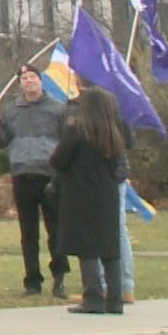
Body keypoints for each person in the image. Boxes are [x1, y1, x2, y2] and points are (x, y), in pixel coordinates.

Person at [0, 63, 69, 298]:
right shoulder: (12, 110)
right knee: (28, 232)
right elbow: (3, 142)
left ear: (40, 81)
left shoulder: (57, 109)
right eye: (25, 79)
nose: (30, 82)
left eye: (33, 77)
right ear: (20, 84)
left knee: (56, 229)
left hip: (49, 176)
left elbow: (65, 142)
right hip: (22, 175)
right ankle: (32, 281)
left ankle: (59, 278)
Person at [53, 86, 129, 314]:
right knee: (110, 247)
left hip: (80, 194)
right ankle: (115, 299)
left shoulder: (77, 131)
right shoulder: (114, 133)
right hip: (108, 195)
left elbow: (58, 160)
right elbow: (121, 166)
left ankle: (93, 296)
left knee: (87, 247)